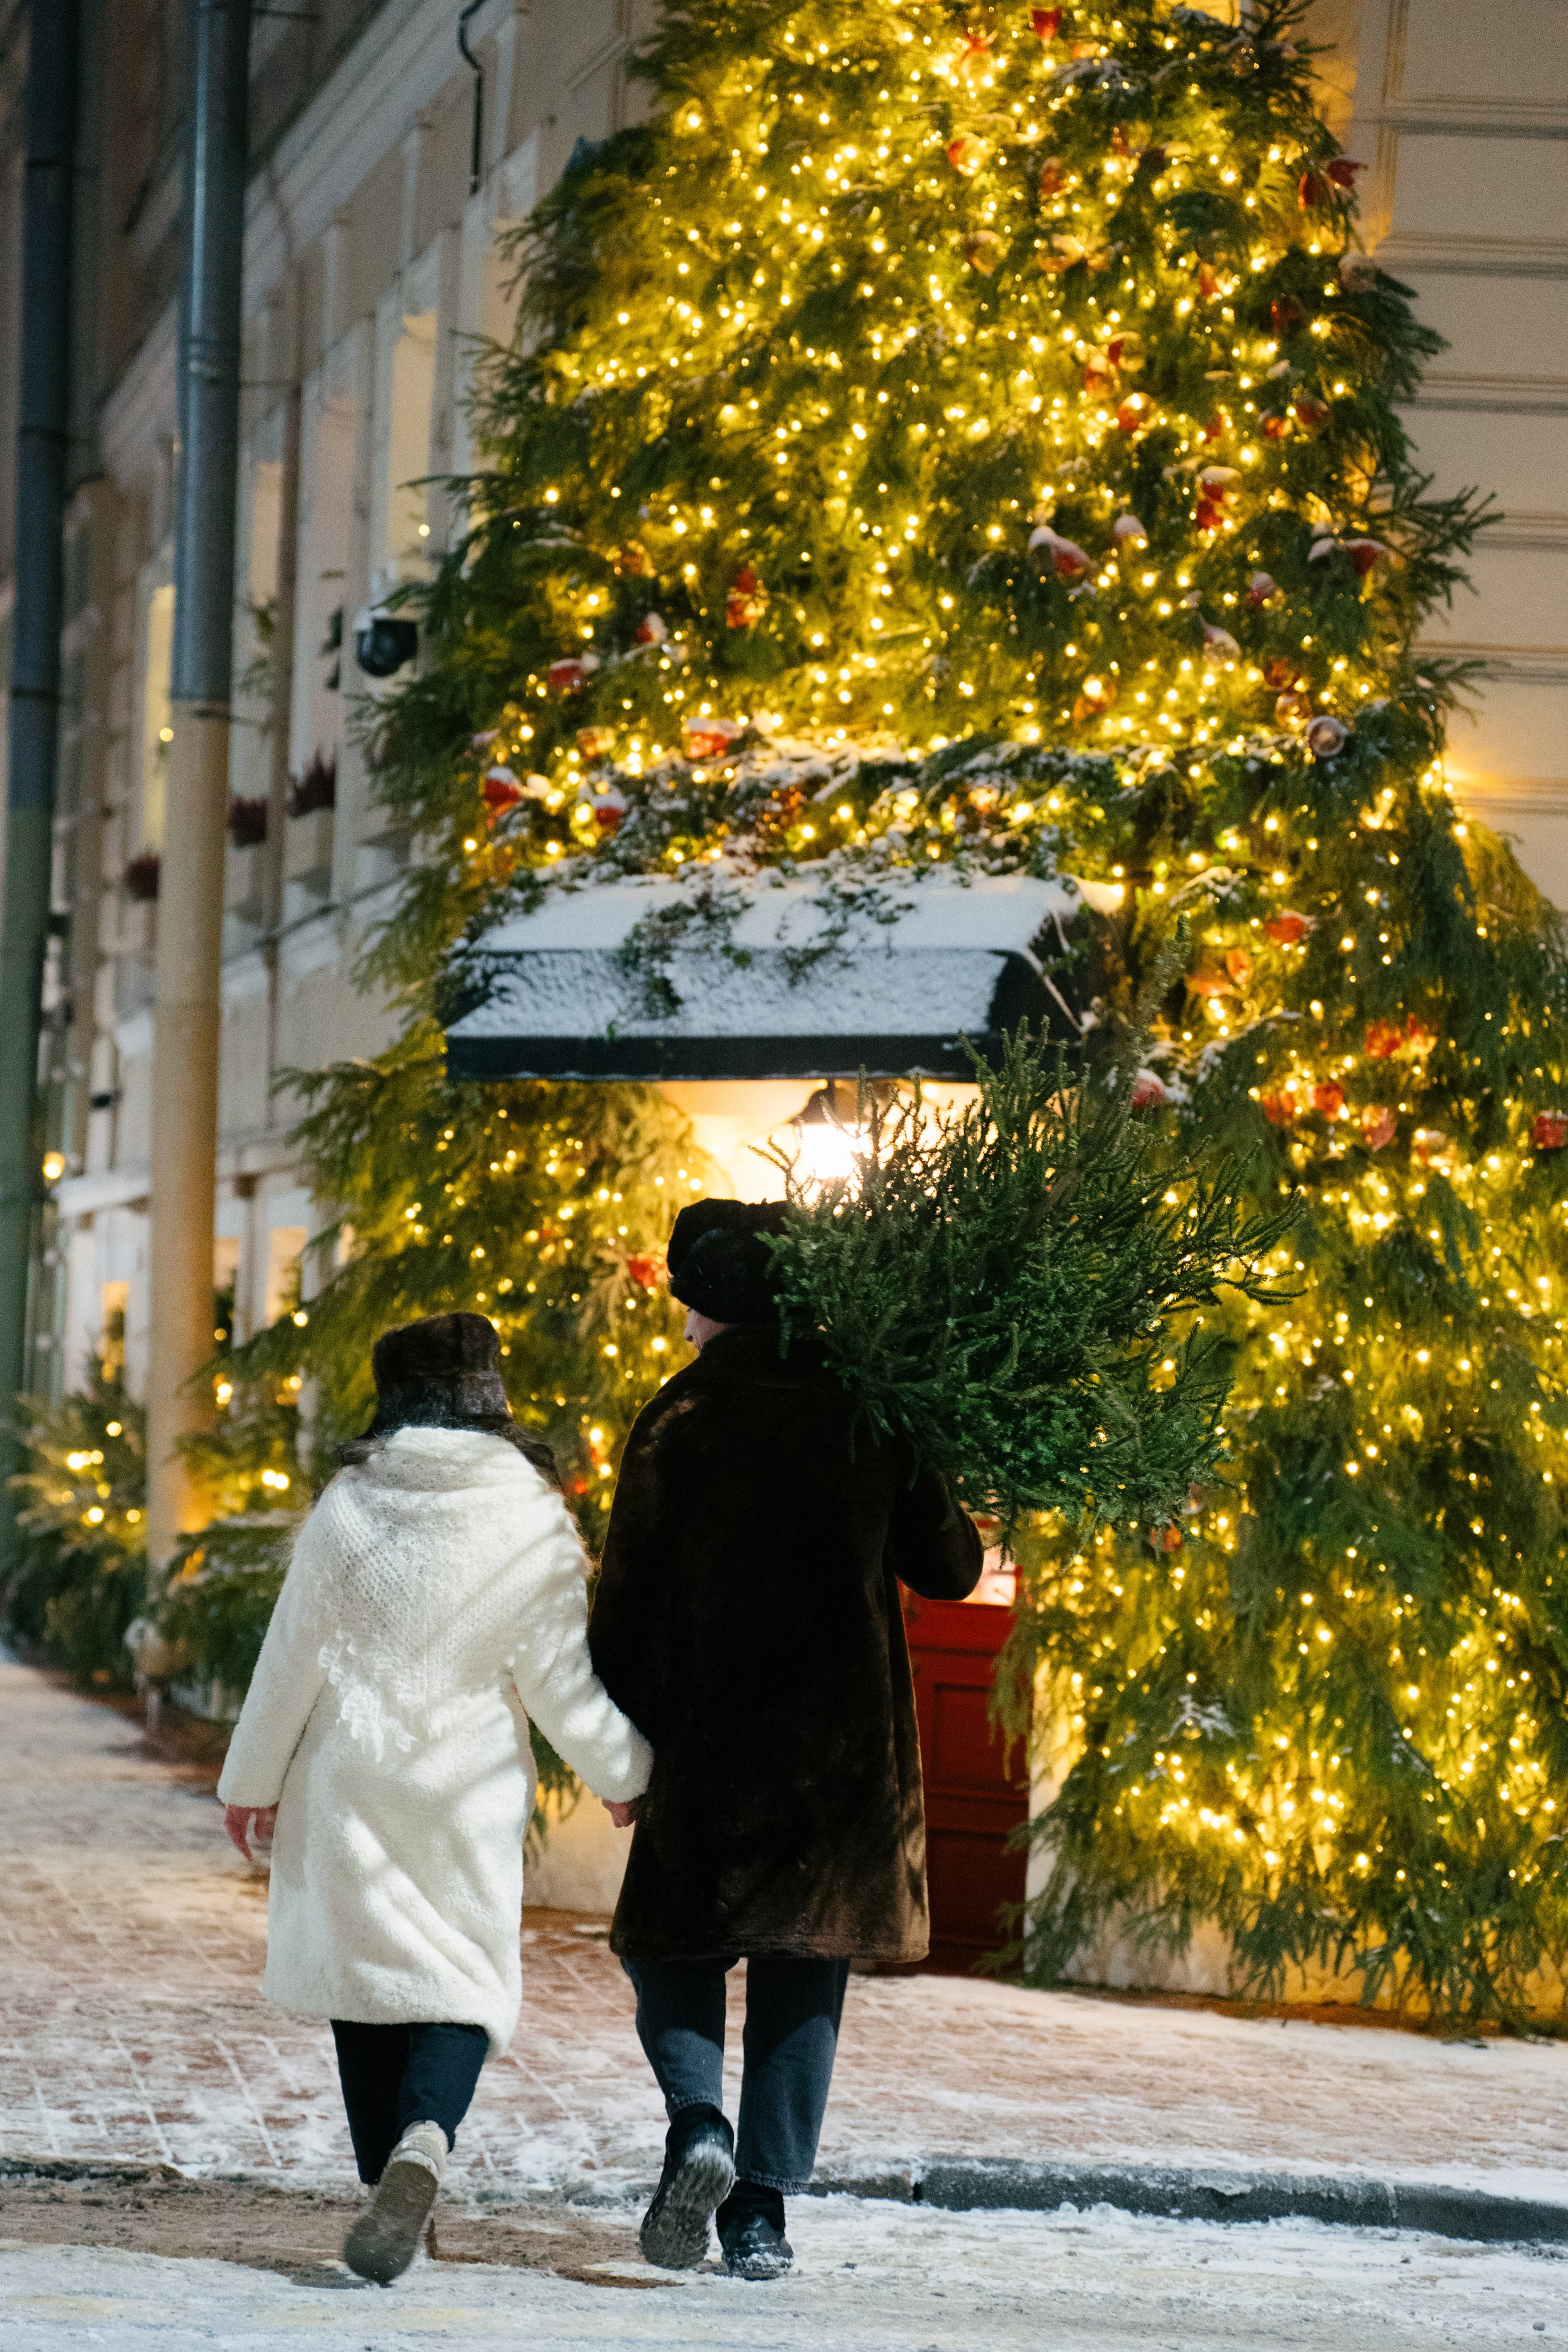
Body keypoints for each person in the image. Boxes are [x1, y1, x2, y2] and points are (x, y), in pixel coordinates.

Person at [589, 1199, 982, 2281]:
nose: (683, 1327)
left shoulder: (679, 1417)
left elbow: (625, 1606)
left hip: (707, 1746)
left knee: (667, 1947)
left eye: (689, 1306)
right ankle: (759, 2215)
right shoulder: (870, 1408)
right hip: (842, 1763)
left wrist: (618, 1755)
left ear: (716, 1308)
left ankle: (697, 2126)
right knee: (805, 1964)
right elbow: (953, 1570)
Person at [217, 1312, 650, 2285]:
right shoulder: (530, 1516)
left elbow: (291, 1662)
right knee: (461, 1980)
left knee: (365, 1983)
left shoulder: (350, 1505)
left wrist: (249, 1784)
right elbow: (561, 1683)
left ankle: (387, 2186)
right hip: (469, 1787)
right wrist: (623, 1775)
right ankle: (427, 2139)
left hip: (350, 1778)